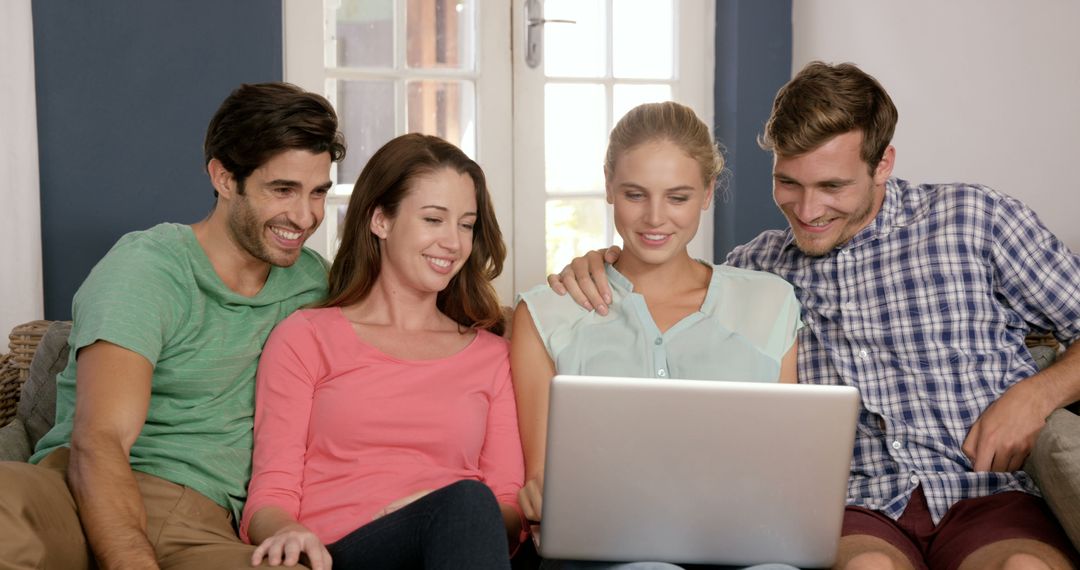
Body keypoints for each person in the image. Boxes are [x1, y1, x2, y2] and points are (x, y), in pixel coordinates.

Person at [550, 62, 1080, 570]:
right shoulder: (756, 269)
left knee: (1022, 566)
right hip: (857, 506)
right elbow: (673, 284)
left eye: (832, 187)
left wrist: (1037, 395)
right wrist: (608, 262)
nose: (806, 211)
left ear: (884, 164)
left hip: (985, 492)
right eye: (788, 183)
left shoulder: (974, 221)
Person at [0, 82, 346, 569]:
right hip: (73, 491)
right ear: (224, 178)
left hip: (199, 520)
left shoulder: (318, 286)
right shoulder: (149, 268)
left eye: (317, 193)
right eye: (282, 190)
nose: (305, 215)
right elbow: (99, 439)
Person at [513, 101, 802, 570]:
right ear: (608, 185)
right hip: (603, 554)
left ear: (708, 193)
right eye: (634, 194)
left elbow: (782, 470)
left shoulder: (771, 304)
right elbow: (543, 477)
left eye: (678, 197)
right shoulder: (547, 313)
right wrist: (543, 499)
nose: (654, 218)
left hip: (742, 548)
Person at [240, 133, 527, 570]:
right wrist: (286, 530)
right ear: (381, 221)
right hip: (341, 554)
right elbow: (271, 491)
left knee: (470, 503)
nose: (453, 243)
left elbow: (509, 507)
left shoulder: (492, 357)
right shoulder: (306, 337)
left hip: (457, 547)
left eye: (466, 225)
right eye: (434, 219)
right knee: (467, 502)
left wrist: (436, 509)